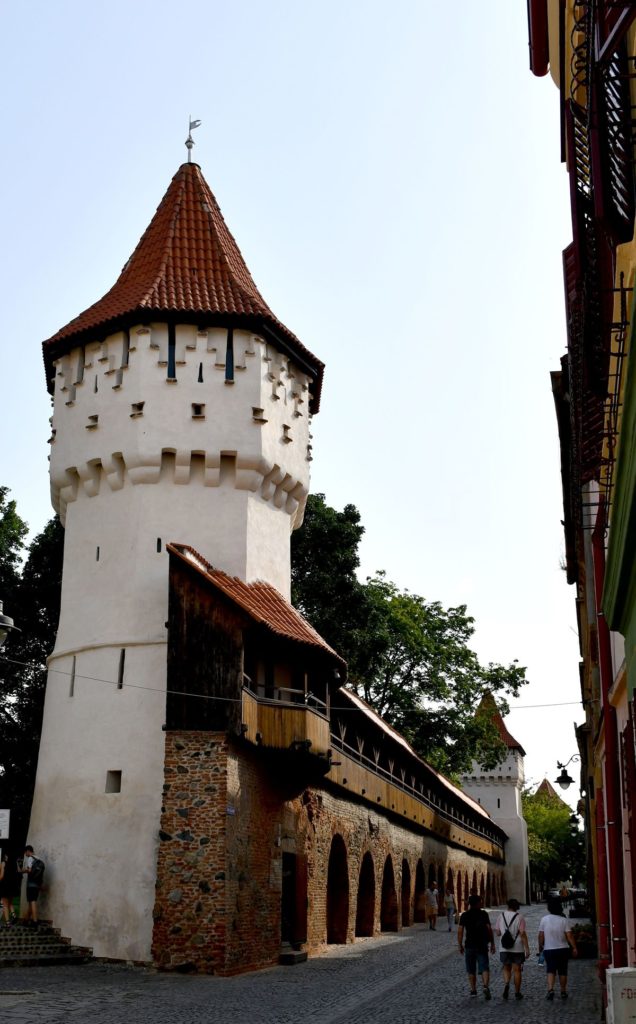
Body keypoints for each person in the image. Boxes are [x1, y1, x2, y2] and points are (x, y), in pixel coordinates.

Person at [538, 895, 578, 1000]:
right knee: (563, 971)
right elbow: (569, 935)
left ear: (549, 908)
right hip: (563, 949)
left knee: (550, 970)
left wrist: (540, 946)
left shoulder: (544, 920)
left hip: (549, 949)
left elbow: (541, 935)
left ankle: (550, 990)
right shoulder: (563, 920)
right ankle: (563, 991)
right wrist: (574, 947)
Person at [458, 893, 495, 999]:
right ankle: (485, 986)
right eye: (481, 901)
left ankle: (473, 990)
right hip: (482, 944)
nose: (482, 903)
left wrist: (460, 945)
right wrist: (492, 943)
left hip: (469, 945)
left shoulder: (465, 915)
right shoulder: (483, 914)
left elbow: (460, 931)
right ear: (478, 903)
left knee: (471, 969)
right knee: (484, 967)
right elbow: (489, 929)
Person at [495, 898, 530, 1000]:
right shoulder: (520, 917)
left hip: (504, 947)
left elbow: (497, 933)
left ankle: (506, 984)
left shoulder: (500, 916)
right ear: (517, 907)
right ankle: (517, 993)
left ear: (508, 906)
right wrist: (527, 949)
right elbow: (522, 934)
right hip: (517, 948)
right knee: (517, 970)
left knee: (506, 968)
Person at [20, 844, 44, 926]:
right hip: (37, 884)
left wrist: (22, 871)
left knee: (32, 901)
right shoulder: (38, 858)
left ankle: (35, 921)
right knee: (31, 902)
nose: (25, 855)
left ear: (27, 851)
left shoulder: (30, 858)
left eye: (25, 853)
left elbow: (29, 870)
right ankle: (26, 920)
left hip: (31, 884)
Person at [0, 852, 16, 927]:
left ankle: (8, 923)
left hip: (5, 886)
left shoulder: (3, 863)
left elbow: (2, 876)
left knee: (5, 905)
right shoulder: (14, 864)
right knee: (10, 903)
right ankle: (14, 915)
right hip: (12, 886)